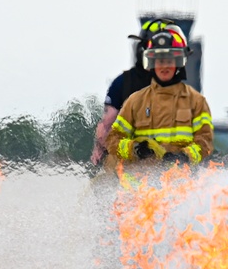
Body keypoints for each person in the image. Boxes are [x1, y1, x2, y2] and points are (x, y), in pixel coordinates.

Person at [104, 25, 213, 166]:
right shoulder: (135, 101)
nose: (164, 66)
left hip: (183, 182)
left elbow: (204, 143)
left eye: (169, 60)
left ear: (179, 62)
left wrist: (184, 156)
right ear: (151, 63)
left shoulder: (197, 102)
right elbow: (114, 140)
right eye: (160, 61)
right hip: (138, 184)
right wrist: (135, 149)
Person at [91, 18, 174, 166]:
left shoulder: (122, 82)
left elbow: (105, 124)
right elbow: (107, 124)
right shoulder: (123, 83)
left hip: (163, 164)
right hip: (131, 163)